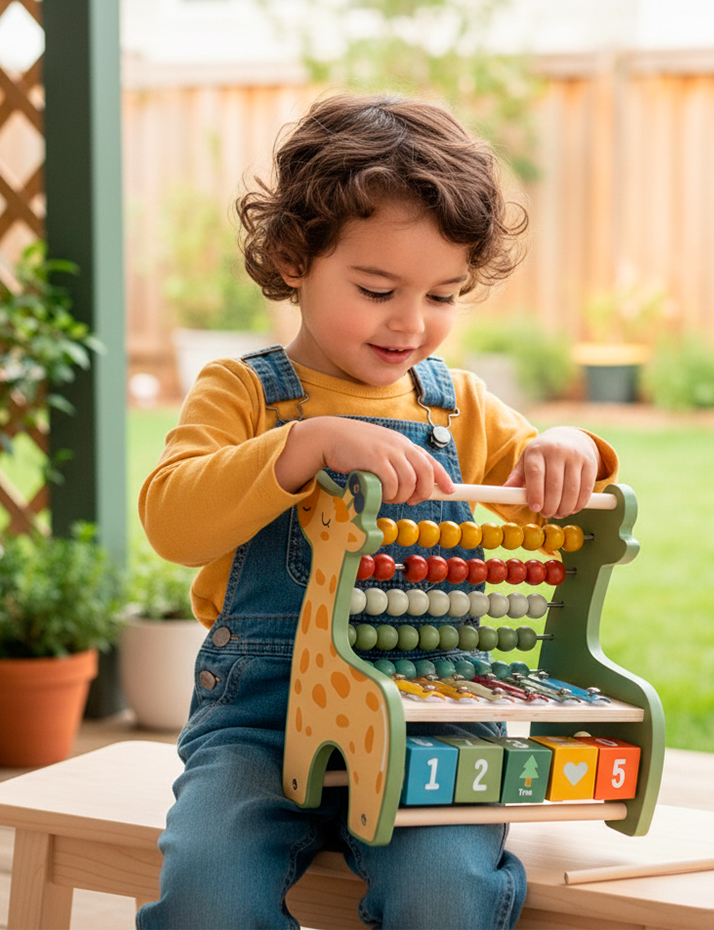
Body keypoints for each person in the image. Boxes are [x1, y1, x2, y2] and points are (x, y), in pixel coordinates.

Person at [138, 92, 618, 930]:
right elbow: (172, 522)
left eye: (443, 294)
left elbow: (556, 502)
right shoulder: (245, 393)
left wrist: (572, 445)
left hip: (429, 719)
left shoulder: (458, 405)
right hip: (262, 720)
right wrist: (303, 445)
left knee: (444, 893)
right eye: (376, 288)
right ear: (294, 258)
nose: (412, 322)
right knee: (208, 893)